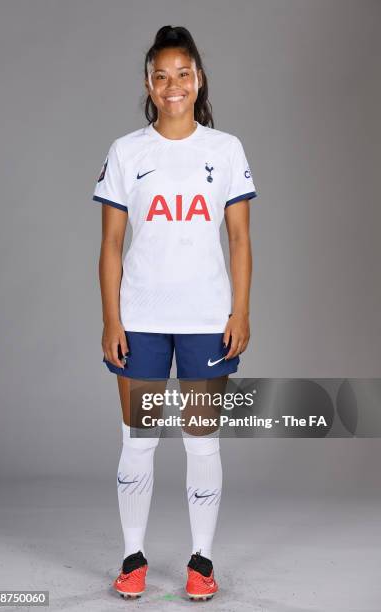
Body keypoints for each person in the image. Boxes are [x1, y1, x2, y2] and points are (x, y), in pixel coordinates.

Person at [91, 25, 258, 601]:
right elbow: (112, 243)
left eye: (182, 74)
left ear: (198, 79)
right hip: (139, 317)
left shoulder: (225, 150)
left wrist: (240, 312)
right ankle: (133, 557)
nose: (172, 86)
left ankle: (201, 562)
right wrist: (113, 320)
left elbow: (239, 239)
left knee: (201, 442)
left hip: (208, 318)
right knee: (138, 438)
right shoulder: (126, 151)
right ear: (148, 82)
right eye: (161, 76)